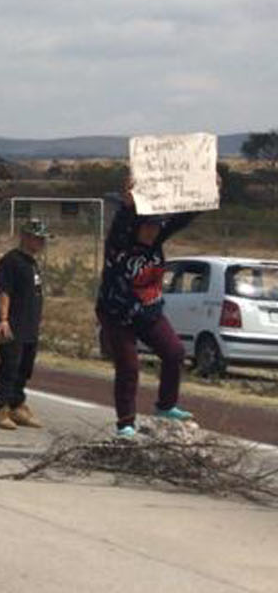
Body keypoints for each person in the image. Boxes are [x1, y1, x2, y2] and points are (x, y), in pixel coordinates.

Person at [96, 181, 202, 438]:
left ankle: (165, 405)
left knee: (175, 352)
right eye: (148, 227)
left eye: (156, 227)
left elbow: (180, 221)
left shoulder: (156, 241)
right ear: (138, 226)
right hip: (116, 314)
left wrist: (207, 193)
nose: (153, 232)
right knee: (129, 367)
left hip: (149, 311)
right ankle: (126, 424)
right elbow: (120, 225)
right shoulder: (119, 244)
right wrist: (127, 206)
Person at [0, 219, 49, 431]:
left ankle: (17, 404)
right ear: (25, 237)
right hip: (13, 324)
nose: (40, 242)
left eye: (43, 239)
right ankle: (1, 407)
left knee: (25, 367)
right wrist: (3, 320)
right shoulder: (11, 261)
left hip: (29, 325)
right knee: (10, 366)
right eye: (37, 238)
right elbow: (3, 291)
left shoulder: (32, 262)